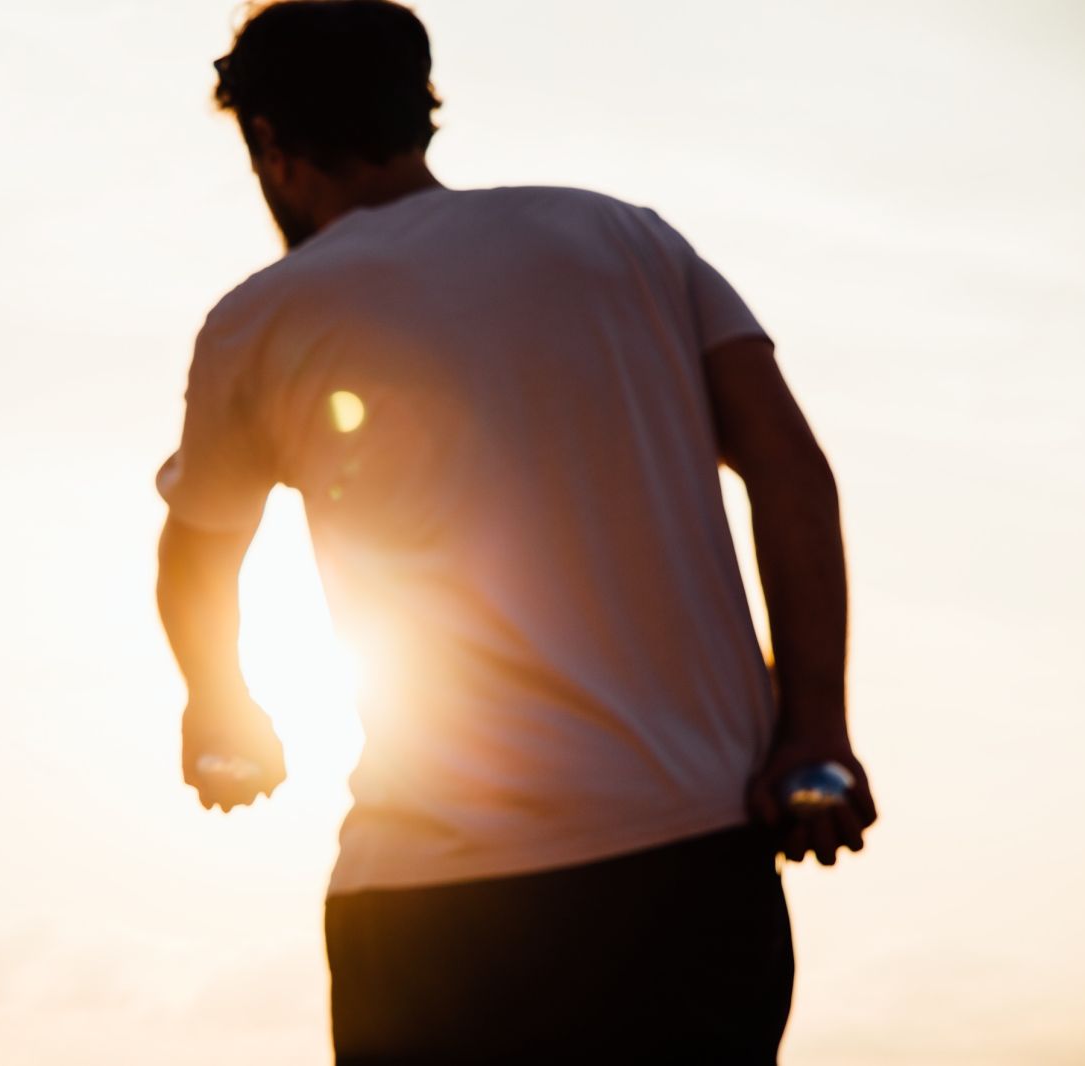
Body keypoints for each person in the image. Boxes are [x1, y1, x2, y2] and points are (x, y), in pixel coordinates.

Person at [152, 1, 879, 1061]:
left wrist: (222, 708)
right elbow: (789, 471)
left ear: (268, 141)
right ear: (422, 111)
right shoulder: (625, 237)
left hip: (432, 903)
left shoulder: (261, 317)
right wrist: (816, 728)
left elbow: (197, 556)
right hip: (686, 875)